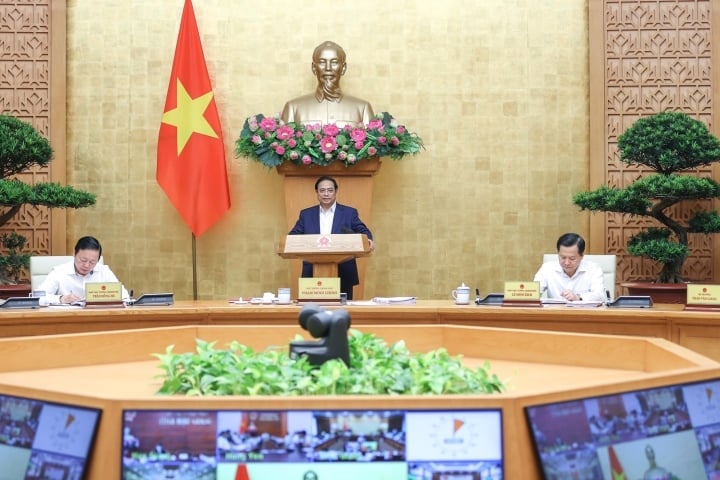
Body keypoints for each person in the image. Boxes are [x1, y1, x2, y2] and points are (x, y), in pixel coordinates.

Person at [289, 176, 374, 300]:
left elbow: (363, 231)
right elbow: (293, 236)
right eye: (322, 190)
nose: (326, 194)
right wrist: (286, 243)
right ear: (317, 192)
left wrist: (368, 239)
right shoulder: (306, 214)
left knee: (341, 314)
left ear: (335, 191)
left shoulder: (349, 213)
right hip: (312, 272)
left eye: (330, 190)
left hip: (343, 270)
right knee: (313, 314)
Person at [281, 40, 374, 126]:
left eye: (334, 62)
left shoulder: (362, 109)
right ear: (314, 68)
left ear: (343, 68)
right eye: (322, 62)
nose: (328, 68)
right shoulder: (293, 108)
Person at [36, 235, 129, 304]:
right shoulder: (59, 272)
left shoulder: (104, 271)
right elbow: (37, 297)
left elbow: (125, 297)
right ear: (74, 253)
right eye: (83, 260)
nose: (87, 265)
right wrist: (60, 299)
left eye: (92, 262)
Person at [533, 232, 606, 302]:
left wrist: (578, 297)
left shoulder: (594, 269)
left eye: (572, 258)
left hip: (584, 313)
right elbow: (534, 293)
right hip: (555, 313)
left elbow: (600, 295)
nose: (567, 263)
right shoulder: (547, 268)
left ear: (582, 256)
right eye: (563, 257)